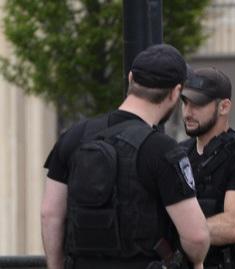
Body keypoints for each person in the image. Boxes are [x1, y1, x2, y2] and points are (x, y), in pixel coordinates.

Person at [41, 44, 210, 269]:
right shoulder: (163, 150)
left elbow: (50, 214)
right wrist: (198, 262)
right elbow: (196, 237)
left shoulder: (73, 137)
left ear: (131, 79)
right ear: (175, 92)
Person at [180, 67, 235, 269]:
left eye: (198, 104)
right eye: (185, 102)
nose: (188, 112)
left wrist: (177, 231)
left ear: (224, 107)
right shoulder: (178, 154)